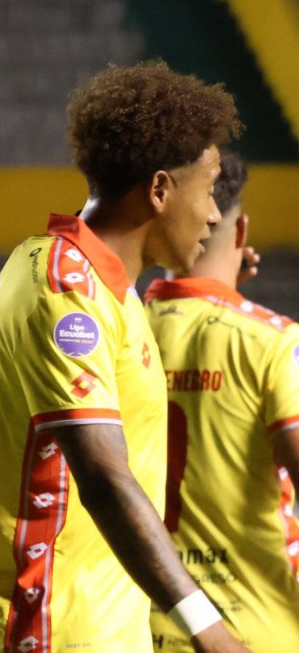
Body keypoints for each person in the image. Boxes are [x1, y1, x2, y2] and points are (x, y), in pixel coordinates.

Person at [0, 62, 248, 653]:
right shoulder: (67, 288)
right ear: (161, 189)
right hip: (50, 632)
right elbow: (103, 476)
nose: (216, 214)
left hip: (98, 631)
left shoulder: (106, 290)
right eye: (210, 187)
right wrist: (207, 625)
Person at [144, 151, 299, 652]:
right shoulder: (273, 344)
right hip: (255, 629)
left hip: (142, 626)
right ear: (241, 229)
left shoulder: (119, 329)